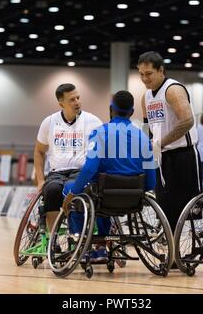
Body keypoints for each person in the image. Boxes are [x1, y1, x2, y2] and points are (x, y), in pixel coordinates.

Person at [62, 90, 156, 263]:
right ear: (132, 112)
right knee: (100, 193)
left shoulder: (99, 133)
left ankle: (79, 245)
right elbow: (151, 180)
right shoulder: (143, 137)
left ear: (111, 109)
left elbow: (90, 169)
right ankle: (101, 248)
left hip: (104, 195)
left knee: (73, 189)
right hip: (133, 199)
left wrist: (72, 193)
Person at [137, 51, 202, 232]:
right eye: (141, 74)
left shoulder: (173, 89)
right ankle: (172, 253)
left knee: (189, 208)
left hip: (184, 155)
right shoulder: (146, 97)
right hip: (162, 157)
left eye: (148, 73)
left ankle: (191, 252)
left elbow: (187, 121)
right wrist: (148, 145)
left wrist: (161, 142)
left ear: (161, 70)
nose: (144, 78)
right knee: (166, 209)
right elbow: (147, 126)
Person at [34, 83, 102, 231]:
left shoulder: (93, 121)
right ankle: (53, 239)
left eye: (78, 97)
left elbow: (101, 153)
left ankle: (77, 235)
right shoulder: (49, 122)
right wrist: (40, 180)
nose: (77, 102)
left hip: (80, 172)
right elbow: (39, 151)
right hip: (57, 173)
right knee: (51, 191)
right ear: (61, 103)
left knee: (75, 190)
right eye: (72, 99)